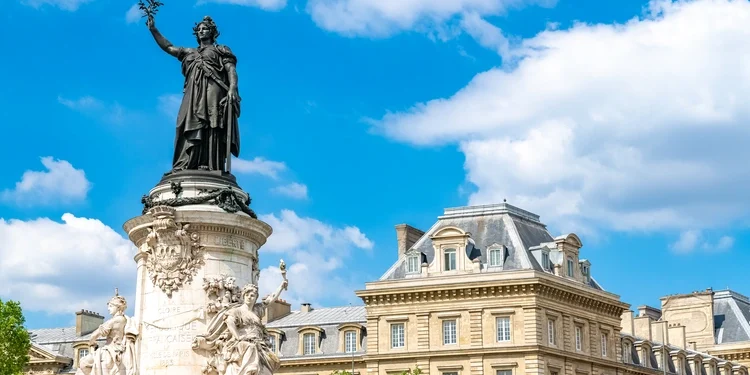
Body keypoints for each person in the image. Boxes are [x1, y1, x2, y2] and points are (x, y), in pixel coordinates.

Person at [147, 15, 240, 173]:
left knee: (213, 123)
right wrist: (153, 30)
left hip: (214, 89)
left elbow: (231, 70)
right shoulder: (189, 52)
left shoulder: (221, 50)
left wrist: (232, 88)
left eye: (205, 29)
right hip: (193, 93)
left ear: (212, 32)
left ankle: (212, 165)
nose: (202, 31)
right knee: (184, 122)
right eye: (199, 29)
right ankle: (186, 163)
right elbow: (169, 48)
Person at [193, 280, 287, 375]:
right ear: (243, 296)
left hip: (258, 342)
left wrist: (281, 286)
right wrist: (238, 337)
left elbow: (271, 299)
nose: (249, 297)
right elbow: (230, 322)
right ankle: (248, 371)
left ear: (255, 298)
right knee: (250, 347)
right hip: (243, 341)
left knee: (270, 360)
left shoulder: (257, 310)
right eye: (247, 295)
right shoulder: (238, 310)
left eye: (252, 295)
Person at [76, 293, 138, 375]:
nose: (108, 309)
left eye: (111, 306)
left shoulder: (114, 320)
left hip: (111, 351)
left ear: (118, 307)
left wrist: (92, 342)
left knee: (83, 363)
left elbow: (94, 335)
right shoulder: (124, 319)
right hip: (115, 350)